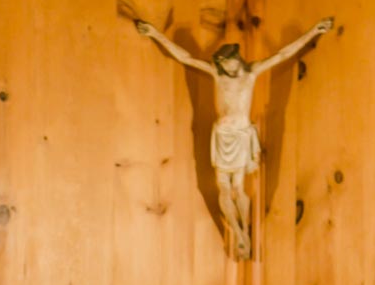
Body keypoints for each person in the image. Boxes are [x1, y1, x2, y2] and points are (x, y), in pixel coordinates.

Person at [135, 17, 335, 259]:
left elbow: (283, 54)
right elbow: (186, 58)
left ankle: (245, 233)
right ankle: (237, 231)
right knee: (222, 186)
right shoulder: (218, 75)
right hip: (222, 136)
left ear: (236, 59)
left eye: (227, 63)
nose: (226, 68)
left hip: (240, 136)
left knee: (238, 188)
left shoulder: (250, 74)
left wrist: (314, 30)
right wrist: (155, 34)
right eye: (222, 64)